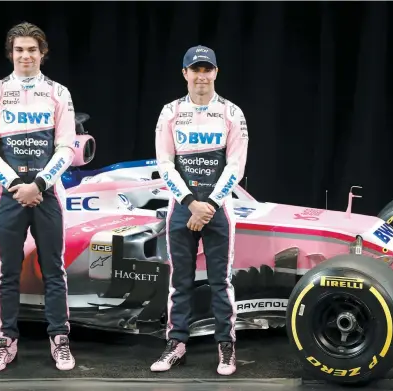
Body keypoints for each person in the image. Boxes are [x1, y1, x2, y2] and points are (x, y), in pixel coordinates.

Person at [0, 22, 76, 372]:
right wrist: (17, 185)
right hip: (9, 195)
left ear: (42, 53)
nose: (26, 55)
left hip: (47, 195)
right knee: (8, 272)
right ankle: (6, 342)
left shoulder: (58, 93)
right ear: (11, 53)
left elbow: (66, 146)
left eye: (32, 49)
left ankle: (60, 339)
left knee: (54, 270)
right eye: (19, 49)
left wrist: (41, 184)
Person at [151, 45, 249, 376]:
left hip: (218, 209)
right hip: (181, 208)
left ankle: (226, 345)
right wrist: (191, 202)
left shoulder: (232, 113)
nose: (201, 76)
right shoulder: (170, 112)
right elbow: (164, 164)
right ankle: (176, 343)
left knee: (221, 281)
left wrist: (208, 205)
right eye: (196, 70)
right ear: (185, 74)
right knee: (180, 281)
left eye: (207, 69)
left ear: (216, 73)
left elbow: (235, 166)